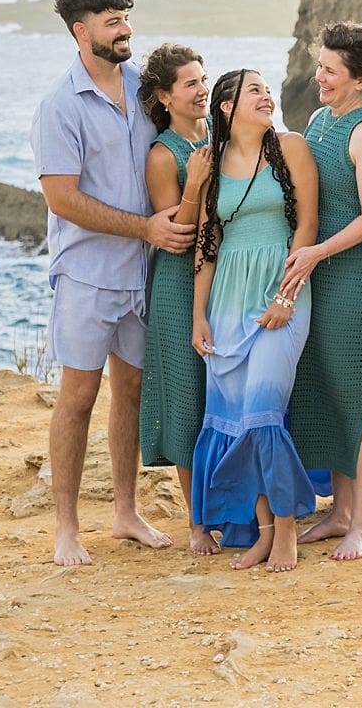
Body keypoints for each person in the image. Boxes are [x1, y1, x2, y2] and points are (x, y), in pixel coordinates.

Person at [30, 0, 196, 567]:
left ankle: (126, 513)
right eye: (112, 21)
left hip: (146, 271)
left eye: (126, 17)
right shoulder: (59, 107)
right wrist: (144, 227)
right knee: (77, 396)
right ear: (81, 31)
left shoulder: (145, 89)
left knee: (131, 388)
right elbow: (62, 199)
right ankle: (67, 528)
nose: (125, 29)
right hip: (86, 274)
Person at [190, 69, 320, 572]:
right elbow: (207, 244)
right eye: (255, 91)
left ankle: (286, 529)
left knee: (265, 414)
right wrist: (198, 315)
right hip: (226, 302)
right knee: (240, 421)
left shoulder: (291, 148)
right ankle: (263, 533)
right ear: (227, 107)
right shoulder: (212, 164)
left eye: (268, 90)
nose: (267, 97)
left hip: (282, 293)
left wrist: (286, 297)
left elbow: (306, 225)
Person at [283, 21, 362, 560]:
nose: (318, 77)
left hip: (350, 276)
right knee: (323, 390)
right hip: (313, 275)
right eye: (319, 66)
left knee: (357, 393)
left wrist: (318, 252)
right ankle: (339, 510)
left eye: (329, 70)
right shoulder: (321, 119)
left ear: (358, 78)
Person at [136, 42, 217, 555]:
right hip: (177, 283)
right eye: (190, 83)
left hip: (222, 279)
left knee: (224, 397)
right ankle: (197, 524)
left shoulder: (217, 135)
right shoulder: (163, 155)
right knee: (188, 399)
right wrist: (198, 184)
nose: (202, 89)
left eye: (203, 79)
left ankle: (237, 507)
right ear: (166, 96)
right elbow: (177, 233)